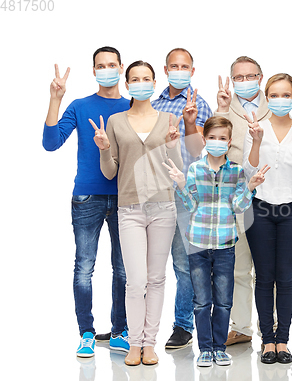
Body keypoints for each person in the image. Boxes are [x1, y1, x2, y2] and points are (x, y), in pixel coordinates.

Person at [91, 60, 185, 366]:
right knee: (136, 280)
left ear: (154, 82)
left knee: (157, 279)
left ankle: (149, 344)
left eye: (146, 78)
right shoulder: (116, 121)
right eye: (135, 78)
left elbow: (178, 170)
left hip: (163, 207)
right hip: (129, 208)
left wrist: (173, 146)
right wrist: (105, 148)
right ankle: (134, 344)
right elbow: (109, 173)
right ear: (127, 84)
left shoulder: (168, 118)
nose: (141, 82)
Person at [42, 46, 129, 357]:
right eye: (100, 65)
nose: (106, 69)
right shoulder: (80, 106)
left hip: (126, 198)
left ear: (121, 67)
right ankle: (87, 333)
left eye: (111, 64)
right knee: (84, 267)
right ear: (94, 71)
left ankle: (120, 330)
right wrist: (56, 99)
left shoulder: (133, 106)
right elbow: (51, 143)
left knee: (123, 268)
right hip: (87, 197)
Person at [164, 116, 269, 367]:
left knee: (223, 301)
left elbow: (238, 207)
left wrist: (251, 187)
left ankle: (219, 348)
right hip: (198, 244)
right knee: (201, 302)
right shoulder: (195, 169)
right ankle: (205, 349)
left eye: (223, 138)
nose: (217, 142)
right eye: (213, 138)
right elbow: (190, 205)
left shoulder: (236, 171)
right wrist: (180, 184)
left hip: (225, 246)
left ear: (229, 142)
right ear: (204, 139)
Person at [243, 73, 292, 364]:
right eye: (273, 95)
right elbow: (248, 175)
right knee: (263, 278)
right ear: (266, 97)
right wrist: (255, 142)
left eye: (285, 95)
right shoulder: (256, 128)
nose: (279, 100)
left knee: (285, 278)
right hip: (260, 208)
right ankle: (267, 341)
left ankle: (283, 340)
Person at [151, 48, 212, 349]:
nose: (179, 70)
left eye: (184, 66)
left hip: (187, 195)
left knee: (185, 263)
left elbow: (203, 152)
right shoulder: (152, 103)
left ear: (192, 70)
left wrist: (189, 124)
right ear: (165, 70)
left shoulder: (199, 104)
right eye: (173, 66)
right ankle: (142, 330)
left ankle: (184, 326)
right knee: (153, 265)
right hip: (156, 194)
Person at [214, 56, 272, 346]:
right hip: (236, 197)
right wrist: (222, 110)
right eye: (239, 77)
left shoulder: (274, 104)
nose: (245, 81)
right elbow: (215, 147)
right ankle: (242, 327)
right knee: (238, 266)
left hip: (272, 197)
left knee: (268, 267)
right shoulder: (226, 109)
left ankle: (270, 325)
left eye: (251, 76)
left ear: (261, 77)